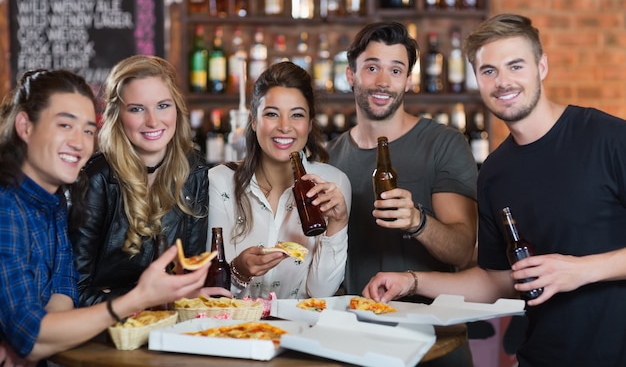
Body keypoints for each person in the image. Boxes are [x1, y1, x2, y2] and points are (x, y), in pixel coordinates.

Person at [363, 13, 626, 367]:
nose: (503, 82)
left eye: (515, 66)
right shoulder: (494, 173)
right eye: (489, 71)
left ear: (542, 66)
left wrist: (581, 270)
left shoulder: (608, 138)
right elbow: (495, 281)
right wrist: (410, 282)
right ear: (477, 79)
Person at [0, 70, 208, 365]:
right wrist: (138, 298)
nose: (79, 142)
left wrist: (40, 339)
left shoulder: (54, 201)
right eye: (64, 125)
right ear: (25, 126)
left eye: (87, 130)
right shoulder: (7, 207)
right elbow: (31, 336)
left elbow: (63, 295)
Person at [327, 21, 477, 367]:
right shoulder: (329, 158)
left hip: (434, 345)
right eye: (371, 67)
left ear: (409, 80)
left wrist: (418, 221)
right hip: (354, 343)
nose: (382, 82)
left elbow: (463, 251)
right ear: (350, 75)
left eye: (396, 70)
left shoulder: (443, 144)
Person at [70, 55, 229, 307]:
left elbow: (189, 274)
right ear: (117, 115)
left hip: (169, 326)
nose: (153, 121)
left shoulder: (194, 171)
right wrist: (145, 299)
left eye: (163, 106)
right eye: (137, 109)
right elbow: (73, 292)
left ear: (177, 107)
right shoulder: (96, 180)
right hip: (108, 331)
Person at [208, 61, 351, 299]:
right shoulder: (220, 181)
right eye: (272, 114)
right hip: (236, 331)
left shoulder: (333, 183)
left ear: (310, 124)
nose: (285, 127)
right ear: (254, 121)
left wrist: (337, 224)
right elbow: (211, 291)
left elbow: (321, 293)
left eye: (297, 115)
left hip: (302, 330)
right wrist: (239, 271)